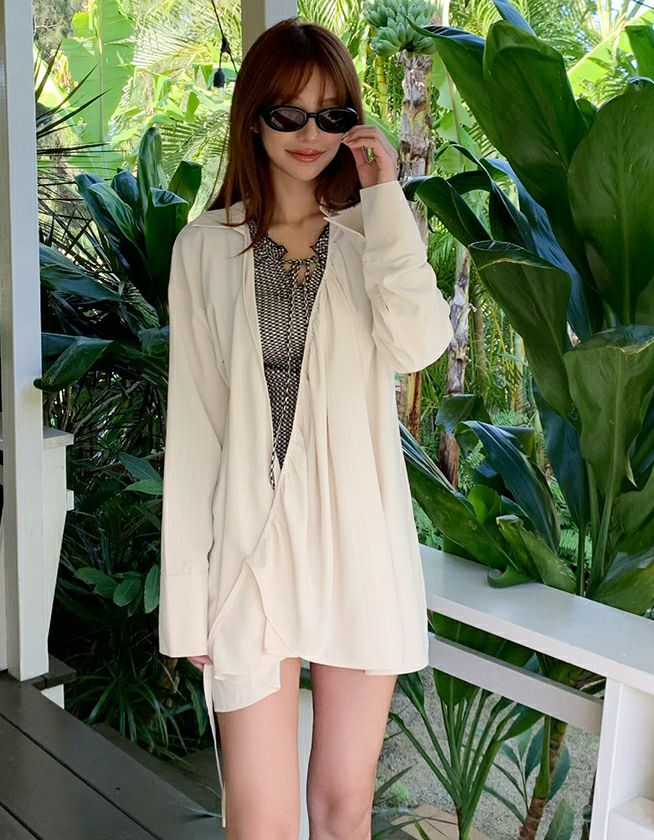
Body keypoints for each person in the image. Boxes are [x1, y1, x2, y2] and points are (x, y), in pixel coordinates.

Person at [158, 15, 454, 839]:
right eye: (287, 112)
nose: (309, 133)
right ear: (252, 117)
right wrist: (188, 599)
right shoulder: (203, 250)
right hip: (250, 557)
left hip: (359, 550)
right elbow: (196, 432)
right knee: (258, 821)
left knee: (342, 809)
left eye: (331, 114)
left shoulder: (371, 241)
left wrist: (385, 195)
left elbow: (421, 345)